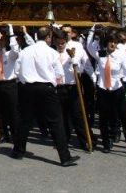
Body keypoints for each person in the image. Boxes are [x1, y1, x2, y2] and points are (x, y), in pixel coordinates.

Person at [12, 26, 79, 167]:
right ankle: (64, 157)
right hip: (46, 89)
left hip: (27, 88)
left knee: (24, 120)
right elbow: (59, 74)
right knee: (56, 122)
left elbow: (17, 71)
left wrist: (25, 80)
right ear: (48, 37)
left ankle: (18, 151)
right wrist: (54, 83)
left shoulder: (25, 51)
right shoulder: (51, 53)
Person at [87, 26, 126, 155]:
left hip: (118, 88)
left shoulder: (122, 55)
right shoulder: (101, 54)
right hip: (103, 88)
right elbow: (89, 47)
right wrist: (92, 32)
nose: (112, 44)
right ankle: (106, 142)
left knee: (125, 117)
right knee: (105, 118)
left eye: (115, 42)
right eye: (110, 41)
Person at [53, 29, 93, 151]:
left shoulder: (71, 53)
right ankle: (64, 139)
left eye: (63, 43)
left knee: (77, 115)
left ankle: (85, 140)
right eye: (59, 43)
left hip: (72, 87)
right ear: (55, 42)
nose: (61, 45)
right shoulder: (52, 54)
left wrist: (75, 65)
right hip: (58, 88)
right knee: (62, 116)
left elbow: (81, 69)